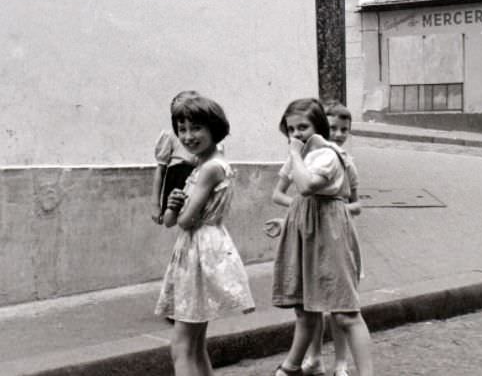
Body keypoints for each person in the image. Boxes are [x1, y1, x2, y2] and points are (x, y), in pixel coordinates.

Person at [268, 98, 373, 376]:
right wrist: (293, 219)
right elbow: (288, 196)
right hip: (309, 233)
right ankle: (298, 365)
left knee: (345, 311)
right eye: (291, 129)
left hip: (332, 236)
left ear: (318, 127)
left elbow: (304, 187)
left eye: (303, 127)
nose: (296, 134)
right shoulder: (303, 158)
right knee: (305, 306)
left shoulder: (327, 155)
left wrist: (293, 154)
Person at [154, 95, 254, 376]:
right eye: (182, 129)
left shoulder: (209, 169)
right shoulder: (203, 165)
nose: (188, 136)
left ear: (214, 128)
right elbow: (169, 220)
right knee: (196, 345)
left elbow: (185, 221)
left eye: (196, 128)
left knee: (181, 345)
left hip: (200, 251)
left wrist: (178, 207)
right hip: (200, 248)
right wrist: (174, 204)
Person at [302, 100, 362, 376]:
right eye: (333, 128)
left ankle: (341, 362)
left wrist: (333, 211)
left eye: (344, 130)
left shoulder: (345, 162)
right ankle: (314, 356)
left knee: (340, 304)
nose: (338, 134)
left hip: (337, 236)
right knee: (311, 302)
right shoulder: (311, 159)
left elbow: (357, 204)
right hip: (313, 236)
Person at [151, 90, 200, 224]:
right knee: (175, 219)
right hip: (177, 178)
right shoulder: (171, 136)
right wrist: (155, 204)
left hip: (196, 178)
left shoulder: (204, 138)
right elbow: (160, 170)